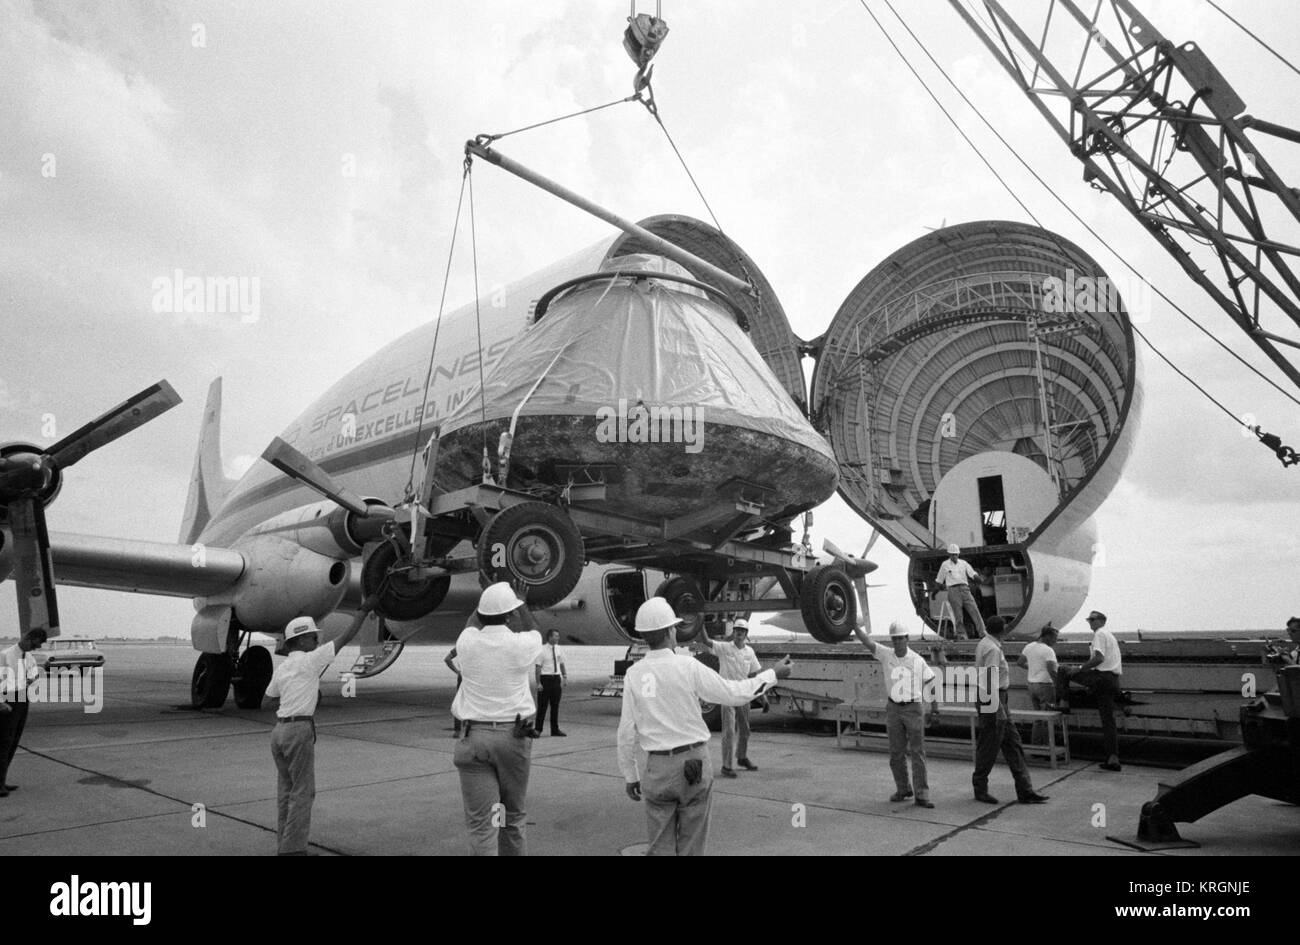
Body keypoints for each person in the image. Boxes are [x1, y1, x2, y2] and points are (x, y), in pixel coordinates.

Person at [617, 597, 792, 856]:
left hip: (657, 768)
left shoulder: (634, 674)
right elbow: (734, 693)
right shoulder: (688, 666)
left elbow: (625, 732)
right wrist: (773, 674)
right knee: (692, 845)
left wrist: (630, 774)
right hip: (693, 765)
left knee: (660, 848)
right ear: (668, 631)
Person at [265, 606, 370, 855]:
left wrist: (296, 697)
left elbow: (266, 700)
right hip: (299, 731)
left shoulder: (282, 668)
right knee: (303, 792)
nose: (317, 639)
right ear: (301, 639)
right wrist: (363, 612)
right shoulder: (312, 660)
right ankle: (293, 850)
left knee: (286, 792)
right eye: (313, 636)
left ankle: (284, 843)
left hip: (279, 731)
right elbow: (344, 638)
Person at [450, 581, 543, 856]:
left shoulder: (467, 642)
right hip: (511, 739)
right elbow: (535, 630)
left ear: (480, 613)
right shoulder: (520, 644)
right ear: (511, 614)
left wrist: (486, 594)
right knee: (511, 818)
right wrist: (522, 601)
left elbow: (471, 622)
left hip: (473, 739)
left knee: (483, 826)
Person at [852, 619, 937, 808]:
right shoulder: (885, 654)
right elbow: (867, 642)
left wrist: (934, 709)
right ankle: (903, 788)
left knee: (917, 752)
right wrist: (854, 626)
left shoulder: (917, 660)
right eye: (895, 639)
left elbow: (930, 682)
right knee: (896, 752)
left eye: (901, 638)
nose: (898, 642)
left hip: (914, 708)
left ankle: (922, 794)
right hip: (893, 708)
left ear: (907, 639)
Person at [972, 616, 1049, 805]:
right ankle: (980, 788)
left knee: (1013, 745)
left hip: (995, 699)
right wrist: (998, 709)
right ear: (1003, 630)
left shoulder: (987, 643)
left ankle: (1025, 790)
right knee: (989, 746)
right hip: (994, 699)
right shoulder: (991, 648)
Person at [695, 618, 762, 776]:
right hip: (728, 694)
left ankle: (742, 757)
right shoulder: (724, 648)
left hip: (744, 693)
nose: (739, 633)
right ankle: (726, 766)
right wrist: (700, 621)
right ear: (734, 632)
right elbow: (706, 641)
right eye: (737, 630)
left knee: (745, 730)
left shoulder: (750, 652)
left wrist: (762, 697)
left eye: (742, 631)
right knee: (729, 731)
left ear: (746, 634)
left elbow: (753, 674)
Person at [1061, 610, 1122, 771]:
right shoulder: (1110, 636)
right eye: (1089, 619)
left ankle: (1064, 702)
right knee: (1108, 721)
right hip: (1112, 680)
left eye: (1092, 619)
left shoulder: (1100, 635)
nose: (1090, 622)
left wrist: (1079, 669)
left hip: (1101, 678)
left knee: (1063, 670)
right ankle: (1113, 758)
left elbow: (1099, 658)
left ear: (1102, 620)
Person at [0, 629, 47, 797]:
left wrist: (32, 678)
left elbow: (34, 673)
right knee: (3, 743)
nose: (35, 648)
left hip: (22, 699)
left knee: (13, 741)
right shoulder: (5, 655)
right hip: (8, 700)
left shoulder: (29, 657)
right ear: (27, 638)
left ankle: (2, 781)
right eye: (34, 644)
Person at [1018, 624, 1060, 745]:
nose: (1055, 641)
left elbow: (1020, 662)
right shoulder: (1048, 650)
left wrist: (1033, 669)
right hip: (1045, 685)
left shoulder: (1029, 647)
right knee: (1048, 717)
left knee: (1038, 718)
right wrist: (1058, 684)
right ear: (1047, 636)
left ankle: (1036, 747)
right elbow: (1052, 669)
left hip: (1032, 685)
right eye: (1054, 638)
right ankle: (1048, 748)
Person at [934, 544, 985, 638]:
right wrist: (934, 593)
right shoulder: (945, 564)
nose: (954, 556)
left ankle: (982, 632)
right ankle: (961, 634)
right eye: (952, 554)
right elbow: (939, 580)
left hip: (965, 589)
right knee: (958, 615)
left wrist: (979, 579)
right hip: (953, 590)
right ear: (949, 554)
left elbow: (972, 574)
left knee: (974, 610)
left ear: (958, 554)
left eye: (955, 554)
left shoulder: (964, 563)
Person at [534, 629, 568, 736]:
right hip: (545, 679)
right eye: (556, 636)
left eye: (558, 636)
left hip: (556, 679)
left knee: (555, 706)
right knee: (542, 706)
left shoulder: (558, 649)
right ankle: (538, 729)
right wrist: (538, 682)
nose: (558, 638)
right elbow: (538, 667)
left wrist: (564, 676)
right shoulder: (541, 650)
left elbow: (561, 663)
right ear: (549, 637)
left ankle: (555, 729)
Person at [444, 646, 462, 737]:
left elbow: (447, 659)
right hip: (472, 677)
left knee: (459, 702)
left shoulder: (460, 646)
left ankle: (457, 730)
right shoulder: (477, 645)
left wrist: (457, 671)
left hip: (462, 676)